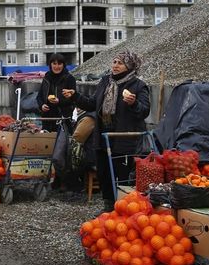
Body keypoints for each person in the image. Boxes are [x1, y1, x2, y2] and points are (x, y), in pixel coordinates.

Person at [62, 50, 150, 212]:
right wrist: (75, 97)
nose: (115, 66)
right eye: (114, 62)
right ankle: (108, 207)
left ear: (129, 66)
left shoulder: (138, 86)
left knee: (122, 176)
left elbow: (144, 111)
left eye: (120, 63)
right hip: (103, 137)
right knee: (104, 173)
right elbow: (92, 104)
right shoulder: (105, 82)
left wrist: (134, 103)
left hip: (123, 138)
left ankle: (124, 208)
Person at [36, 53, 76, 133]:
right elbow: (39, 96)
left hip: (63, 117)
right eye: (54, 63)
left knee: (61, 142)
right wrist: (42, 105)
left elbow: (73, 99)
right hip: (47, 118)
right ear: (50, 64)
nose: (56, 66)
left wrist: (59, 101)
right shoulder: (47, 78)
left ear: (63, 65)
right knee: (48, 142)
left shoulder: (69, 78)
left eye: (59, 64)